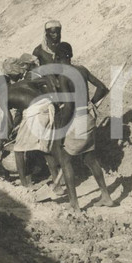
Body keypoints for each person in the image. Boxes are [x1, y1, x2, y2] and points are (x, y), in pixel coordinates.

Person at [50, 42, 115, 210]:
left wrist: (61, 132)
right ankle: (106, 196)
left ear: (57, 58)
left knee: (65, 160)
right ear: (70, 55)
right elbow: (102, 88)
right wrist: (90, 103)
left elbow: (69, 107)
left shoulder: (64, 76)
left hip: (78, 120)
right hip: (88, 117)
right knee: (90, 158)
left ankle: (75, 205)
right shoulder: (82, 70)